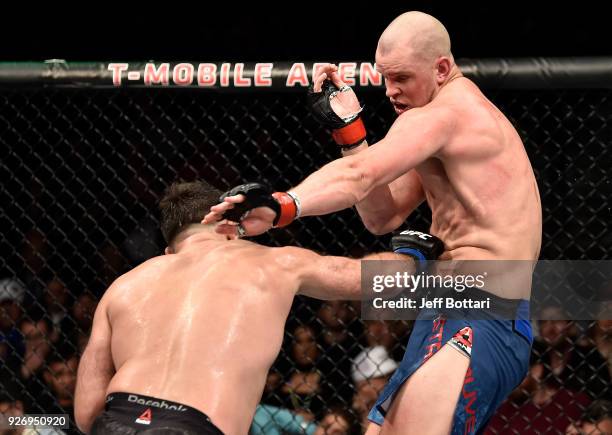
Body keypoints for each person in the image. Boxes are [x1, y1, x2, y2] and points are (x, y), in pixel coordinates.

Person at [203, 10, 542, 434]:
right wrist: (351, 133)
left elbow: (358, 178)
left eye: (400, 78)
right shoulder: (437, 123)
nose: (389, 91)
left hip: (483, 311)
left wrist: (283, 205)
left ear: (440, 68)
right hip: (451, 307)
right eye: (383, 77)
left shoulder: (447, 115)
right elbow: (381, 214)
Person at [74, 180, 435, 435]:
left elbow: (86, 412)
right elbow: (364, 279)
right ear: (231, 229)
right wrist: (419, 254)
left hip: (117, 420)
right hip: (194, 426)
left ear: (170, 250)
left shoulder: (126, 283)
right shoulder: (274, 262)